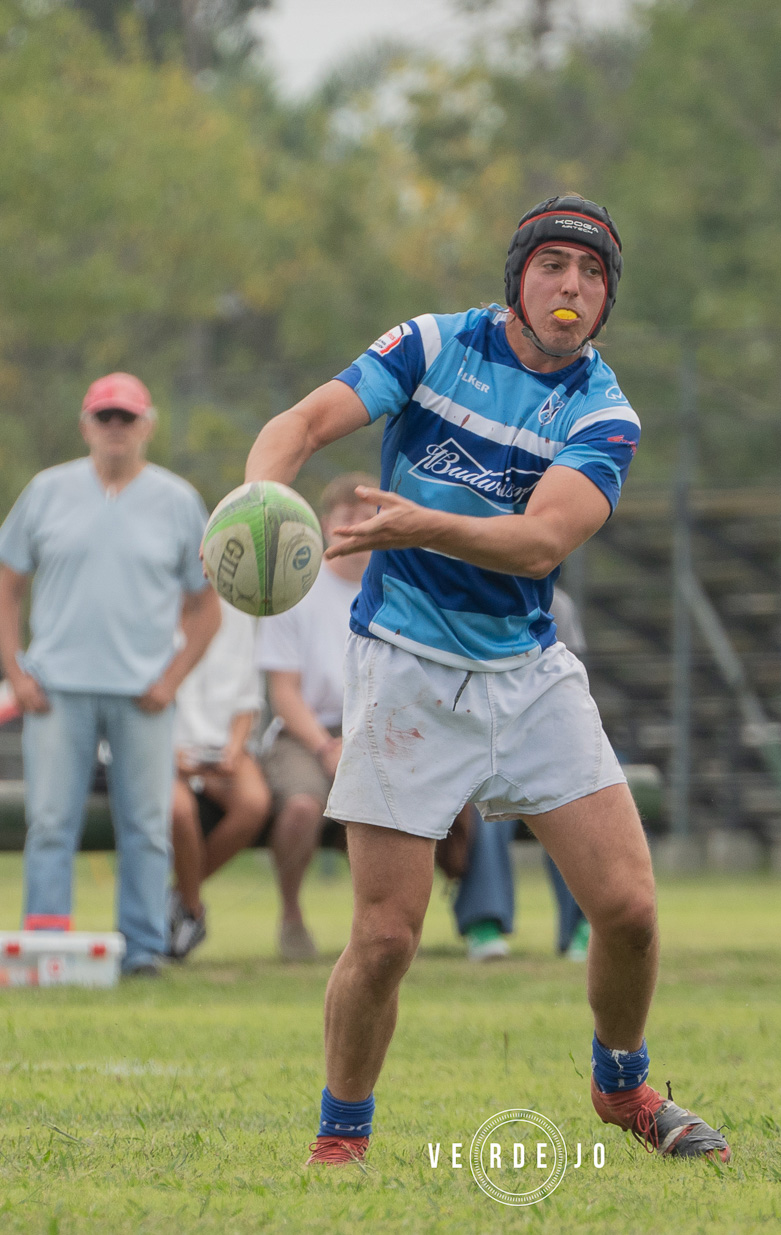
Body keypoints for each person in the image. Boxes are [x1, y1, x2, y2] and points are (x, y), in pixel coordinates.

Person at [245, 195, 731, 1164]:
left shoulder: (602, 409)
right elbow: (302, 423)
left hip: (526, 672)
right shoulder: (433, 345)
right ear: (518, 276)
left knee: (629, 908)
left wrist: (417, 521)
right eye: (554, 265)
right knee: (385, 936)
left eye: (592, 275)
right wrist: (253, 499)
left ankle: (622, 1085)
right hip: (406, 668)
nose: (572, 287)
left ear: (605, 301)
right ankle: (341, 1139)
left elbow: (542, 539)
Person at [0, 372, 219, 977]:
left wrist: (172, 679)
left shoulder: (177, 501)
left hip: (144, 693)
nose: (116, 429)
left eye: (127, 418)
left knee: (146, 826)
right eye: (105, 418)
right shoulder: (46, 491)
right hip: (55, 690)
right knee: (50, 822)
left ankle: (142, 950)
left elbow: (206, 605)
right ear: (86, 425)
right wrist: (16, 672)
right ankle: (45, 946)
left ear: (148, 425)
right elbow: (6, 591)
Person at [253, 472, 379, 962]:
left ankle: (375, 928)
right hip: (304, 733)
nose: (352, 527)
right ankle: (290, 913)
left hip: (374, 728)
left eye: (364, 517)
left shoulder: (397, 589)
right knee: (302, 807)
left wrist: (360, 739)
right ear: (324, 526)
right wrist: (328, 748)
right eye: (343, 517)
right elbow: (283, 692)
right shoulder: (295, 590)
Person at [450, 587, 591, 962]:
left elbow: (570, 688)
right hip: (477, 742)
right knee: (485, 799)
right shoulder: (462, 597)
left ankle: (584, 925)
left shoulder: (558, 602)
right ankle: (484, 923)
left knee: (573, 799)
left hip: (544, 740)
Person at [166, 596, 272, 960]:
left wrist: (233, 749)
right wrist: (169, 754)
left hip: (219, 748)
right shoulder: (151, 604)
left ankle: (178, 898)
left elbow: (249, 698)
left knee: (254, 803)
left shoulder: (239, 611)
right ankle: (192, 911)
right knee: (178, 811)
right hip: (162, 747)